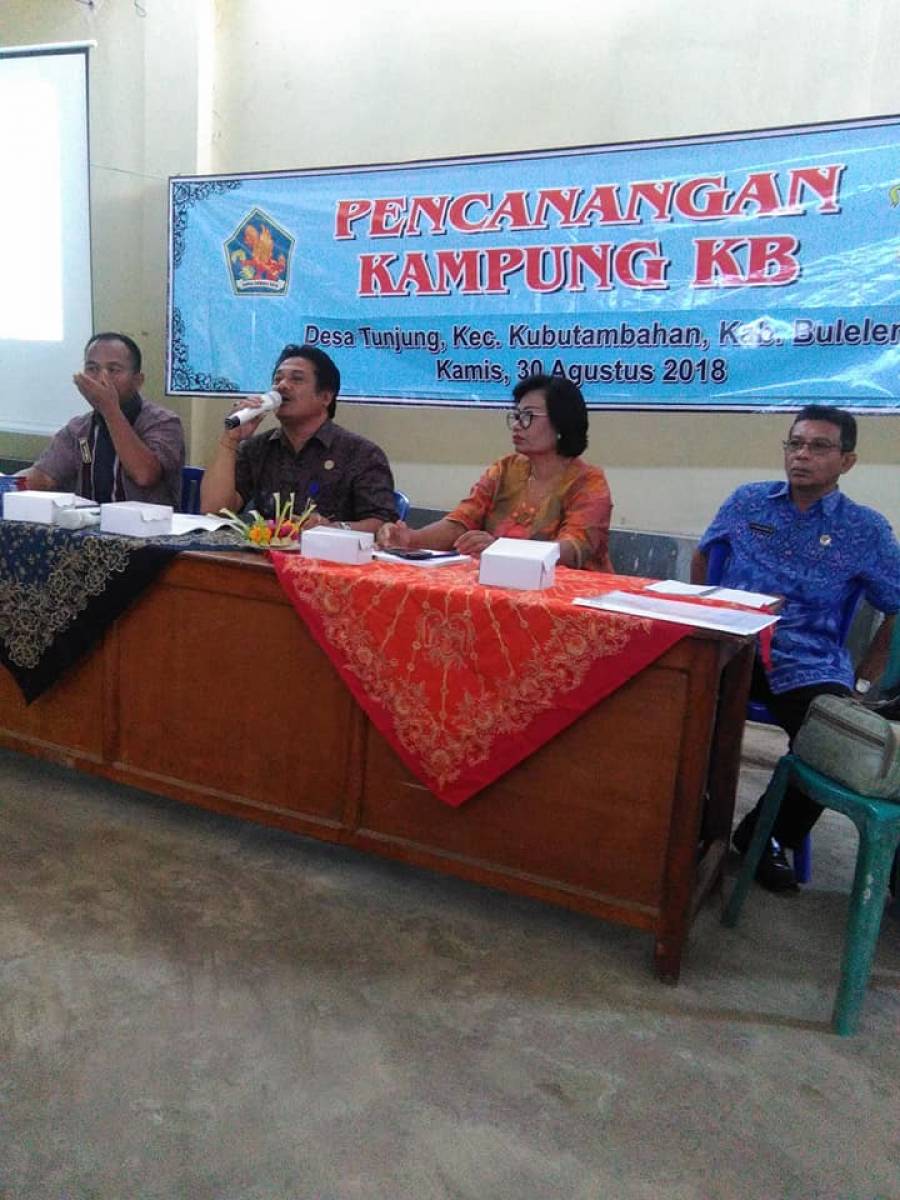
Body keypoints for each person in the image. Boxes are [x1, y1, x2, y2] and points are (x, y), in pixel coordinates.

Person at [692, 405, 900, 891]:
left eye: (819, 446)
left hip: (807, 659)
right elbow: (704, 555)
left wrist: (867, 674)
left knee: (839, 737)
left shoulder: (865, 529)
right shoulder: (748, 501)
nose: (802, 455)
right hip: (734, 643)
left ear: (847, 461)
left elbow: (895, 602)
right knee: (676, 704)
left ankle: (765, 835)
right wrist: (702, 615)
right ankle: (696, 821)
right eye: (795, 443)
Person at [376, 374, 613, 570]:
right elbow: (461, 523)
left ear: (562, 423)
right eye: (517, 416)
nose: (517, 425)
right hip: (500, 587)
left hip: (568, 597)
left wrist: (499, 549)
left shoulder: (589, 482)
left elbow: (572, 550)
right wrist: (411, 539)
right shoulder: (505, 469)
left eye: (528, 417)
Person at [201, 343, 396, 531]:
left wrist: (333, 529)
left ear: (325, 397)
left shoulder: (361, 453)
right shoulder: (258, 448)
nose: (282, 386)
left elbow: (382, 524)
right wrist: (230, 440)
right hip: (266, 551)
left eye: (296, 379)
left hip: (332, 552)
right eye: (277, 379)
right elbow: (214, 512)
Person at [25, 332, 185, 507]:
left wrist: (110, 409)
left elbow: (144, 475)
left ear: (138, 381)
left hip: (148, 523)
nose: (101, 379)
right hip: (88, 521)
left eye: (113, 370)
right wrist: (9, 483)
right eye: (92, 369)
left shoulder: (163, 422)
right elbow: (44, 476)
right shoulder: (78, 429)